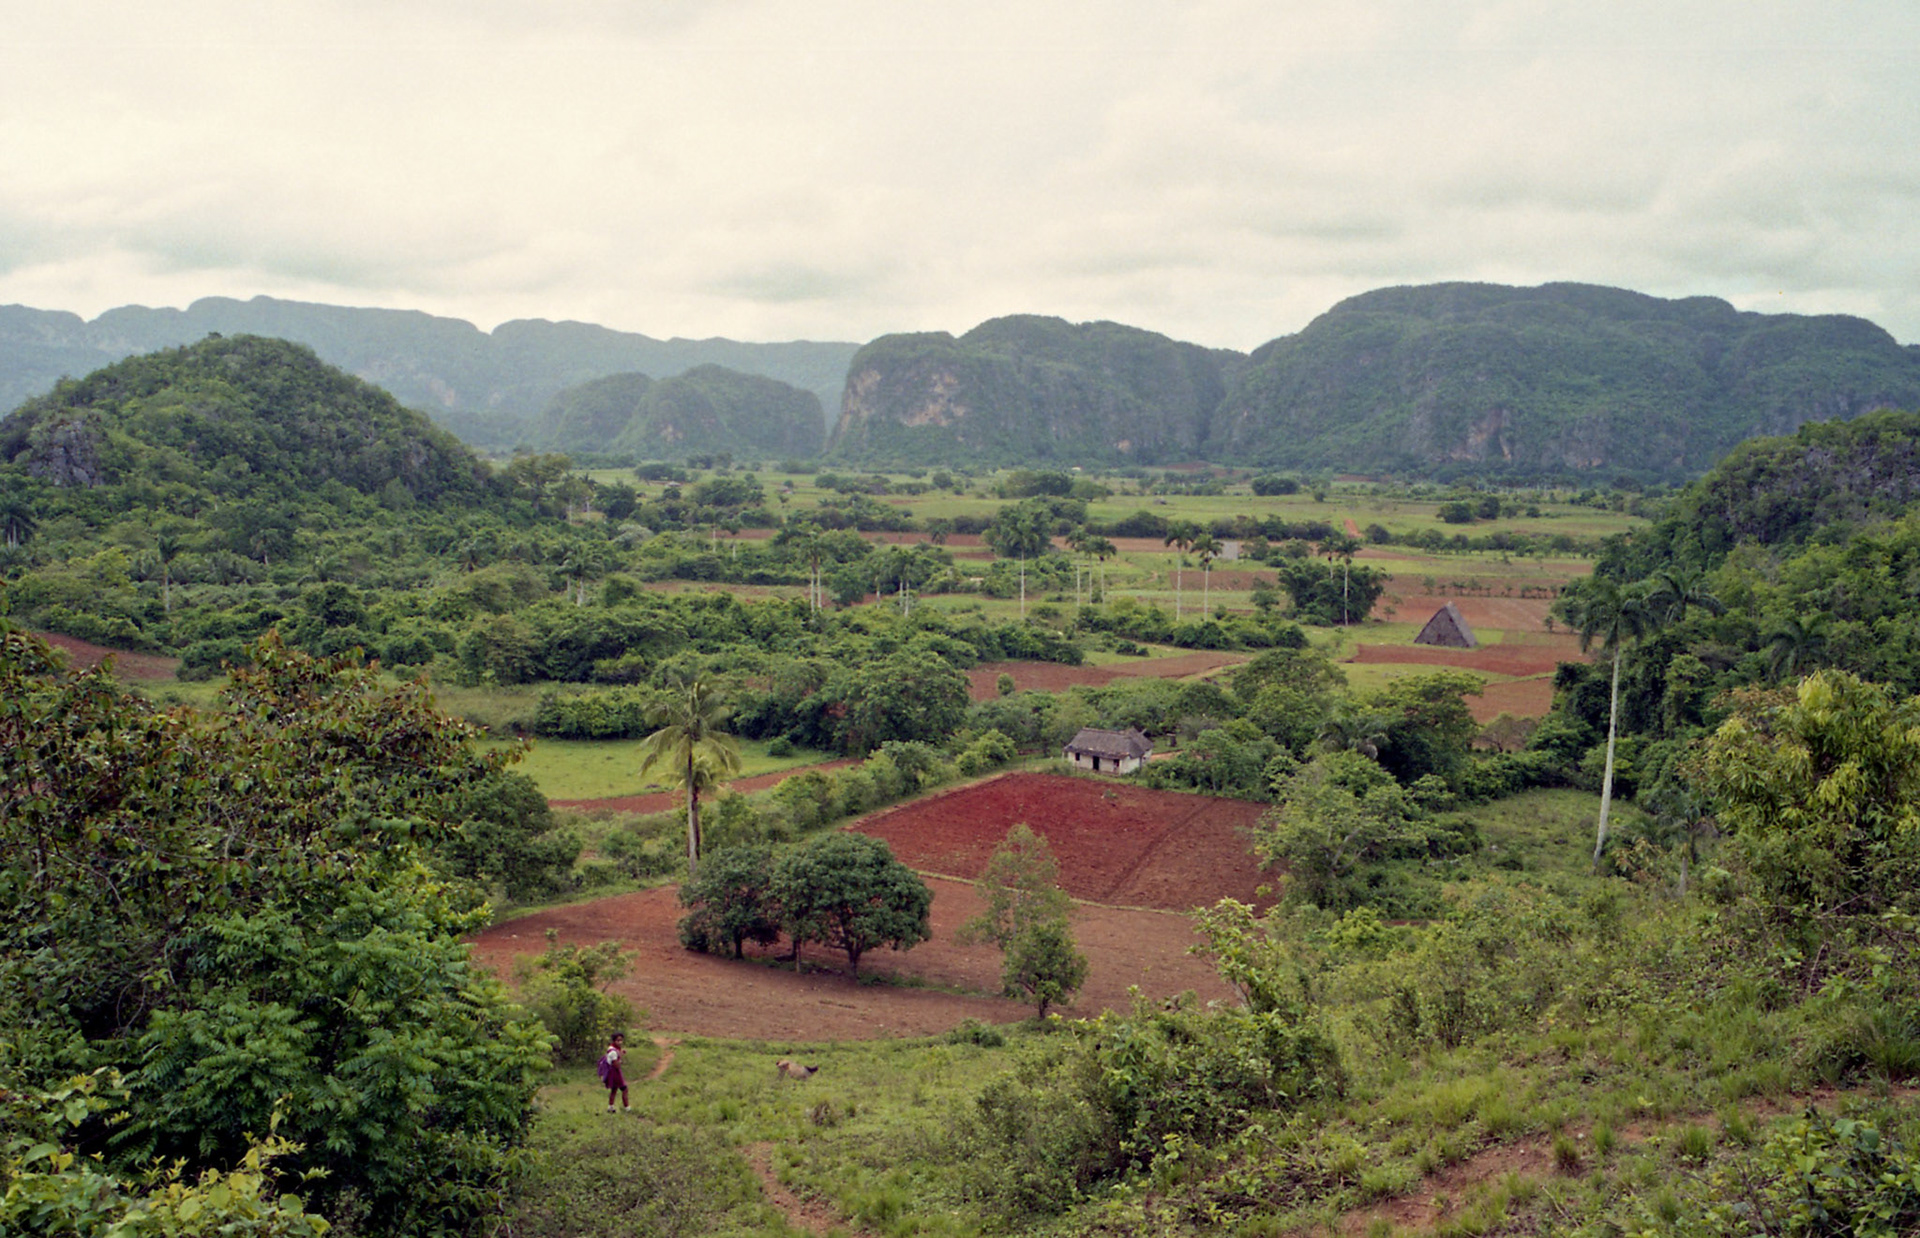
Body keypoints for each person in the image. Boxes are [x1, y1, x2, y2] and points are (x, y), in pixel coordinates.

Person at [601, 1032, 629, 1113]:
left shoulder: (613, 1049)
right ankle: (627, 1108)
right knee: (624, 1089)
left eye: (621, 1040)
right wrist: (620, 1062)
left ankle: (610, 1107)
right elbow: (616, 1064)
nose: (620, 1042)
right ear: (614, 1041)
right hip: (615, 1072)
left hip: (612, 1072)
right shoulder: (613, 1052)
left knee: (614, 1089)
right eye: (618, 1040)